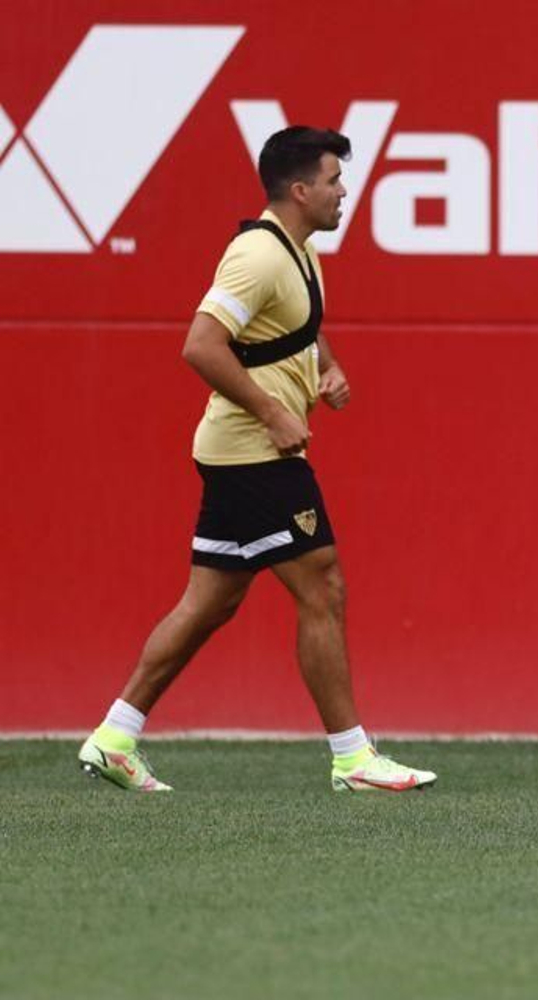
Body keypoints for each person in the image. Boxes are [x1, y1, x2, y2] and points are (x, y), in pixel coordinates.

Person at [76, 127, 436, 793]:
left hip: (241, 455)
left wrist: (327, 368)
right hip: (253, 455)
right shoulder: (257, 256)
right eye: (333, 181)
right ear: (300, 191)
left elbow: (298, 324)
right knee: (322, 585)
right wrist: (273, 411)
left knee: (210, 601)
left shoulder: (299, 253)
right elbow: (201, 344)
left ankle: (115, 736)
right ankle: (353, 758)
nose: (343, 191)